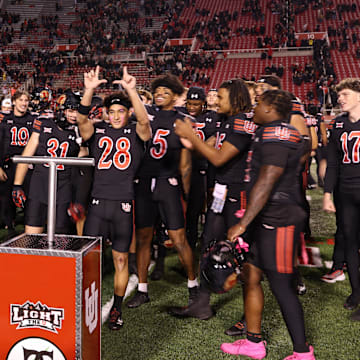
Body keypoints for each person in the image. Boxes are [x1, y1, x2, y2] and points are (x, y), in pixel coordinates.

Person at [223, 90, 316, 360]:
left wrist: (243, 222)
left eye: (260, 103)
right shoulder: (274, 131)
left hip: (278, 218)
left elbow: (269, 177)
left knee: (281, 285)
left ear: (272, 107)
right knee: (251, 273)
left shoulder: (278, 133)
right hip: (267, 216)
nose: (255, 106)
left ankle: (302, 352)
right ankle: (253, 342)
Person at [168, 79, 254, 320]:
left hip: (239, 194)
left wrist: (190, 137)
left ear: (236, 99)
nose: (215, 101)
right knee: (208, 243)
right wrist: (189, 142)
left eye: (221, 98)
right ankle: (201, 304)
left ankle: (249, 318)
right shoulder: (224, 120)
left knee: (240, 253)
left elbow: (218, 158)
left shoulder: (244, 122)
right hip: (221, 191)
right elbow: (209, 144)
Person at [77, 66, 151, 330]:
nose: (117, 115)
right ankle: (82, 303)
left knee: (120, 259)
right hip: (97, 204)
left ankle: (117, 308)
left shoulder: (136, 134)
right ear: (106, 115)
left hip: (123, 205)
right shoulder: (98, 133)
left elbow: (144, 123)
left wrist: (131, 90)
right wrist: (89, 90)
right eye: (112, 112)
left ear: (128, 112)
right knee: (88, 259)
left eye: (122, 111)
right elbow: (81, 121)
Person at [127, 74, 198, 309]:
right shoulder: (146, 112)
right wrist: (131, 89)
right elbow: (139, 113)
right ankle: (142, 289)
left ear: (175, 96)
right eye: (157, 91)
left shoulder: (183, 120)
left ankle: (193, 285)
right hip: (145, 183)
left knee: (179, 239)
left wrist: (186, 190)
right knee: (143, 238)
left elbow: (186, 161)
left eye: (166, 92)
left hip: (169, 182)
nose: (159, 95)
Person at [12, 91, 85, 235]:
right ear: (61, 110)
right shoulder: (44, 124)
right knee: (32, 234)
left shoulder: (80, 130)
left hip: (64, 186)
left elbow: (84, 159)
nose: (74, 115)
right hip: (39, 184)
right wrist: (17, 184)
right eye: (70, 110)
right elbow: (27, 155)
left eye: (77, 111)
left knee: (60, 235)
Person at [323, 78, 360, 316]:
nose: (340, 99)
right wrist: (327, 194)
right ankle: (356, 291)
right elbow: (333, 163)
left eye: (345, 94)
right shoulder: (338, 124)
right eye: (339, 95)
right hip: (346, 192)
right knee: (349, 241)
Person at [0, 90, 35, 237]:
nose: (24, 103)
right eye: (21, 100)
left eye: (26, 100)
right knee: (6, 198)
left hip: (27, 165)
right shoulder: (4, 120)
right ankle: (10, 226)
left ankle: (29, 226)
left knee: (29, 197)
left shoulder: (33, 120)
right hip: (9, 164)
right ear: (14, 101)